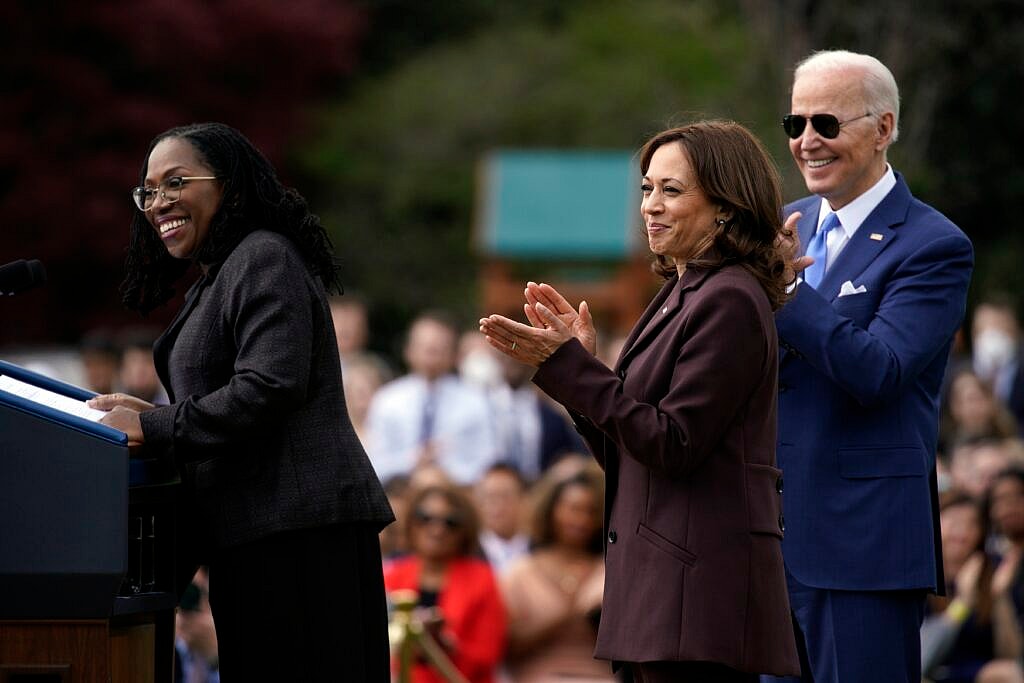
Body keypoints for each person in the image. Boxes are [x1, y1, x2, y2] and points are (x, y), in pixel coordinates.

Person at [480, 119, 800, 680]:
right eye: (647, 189)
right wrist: (580, 374)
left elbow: (673, 443)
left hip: (696, 598)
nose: (650, 205)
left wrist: (572, 370)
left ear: (725, 207)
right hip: (661, 595)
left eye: (671, 191)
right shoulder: (682, 289)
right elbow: (634, 453)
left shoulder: (728, 299)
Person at [87, 122, 394, 681]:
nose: (158, 203)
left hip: (298, 535)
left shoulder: (263, 257)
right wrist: (153, 414)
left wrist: (156, 427)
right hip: (255, 533)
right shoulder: (221, 275)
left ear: (226, 186)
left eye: (176, 182)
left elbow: (269, 387)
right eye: (148, 190)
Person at [766, 50, 975, 683]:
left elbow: (879, 369)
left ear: (882, 129)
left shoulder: (933, 244)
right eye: (795, 124)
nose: (807, 141)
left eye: (826, 123)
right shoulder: (783, 230)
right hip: (769, 546)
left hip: (863, 549)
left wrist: (787, 295)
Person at [384, 482, 507, 683]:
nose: (437, 530)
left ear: (464, 530)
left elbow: (487, 655)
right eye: (425, 518)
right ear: (411, 523)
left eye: (450, 522)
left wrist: (444, 643)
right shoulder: (393, 576)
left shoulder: (482, 579)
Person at [500, 462, 612, 682]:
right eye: (572, 509)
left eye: (590, 511)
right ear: (551, 510)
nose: (580, 520)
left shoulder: (609, 570)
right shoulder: (522, 572)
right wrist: (567, 614)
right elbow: (506, 647)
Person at [366, 311, 499, 485]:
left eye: (439, 349)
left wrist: (443, 473)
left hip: (458, 495)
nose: (431, 356)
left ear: (454, 355)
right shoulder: (387, 400)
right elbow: (375, 462)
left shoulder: (475, 402)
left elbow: (487, 460)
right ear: (408, 350)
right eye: (426, 348)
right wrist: (413, 461)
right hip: (397, 493)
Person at [475, 462, 531, 575]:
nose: (498, 506)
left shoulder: (542, 549)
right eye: (490, 497)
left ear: (523, 500)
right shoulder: (469, 552)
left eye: (505, 496)